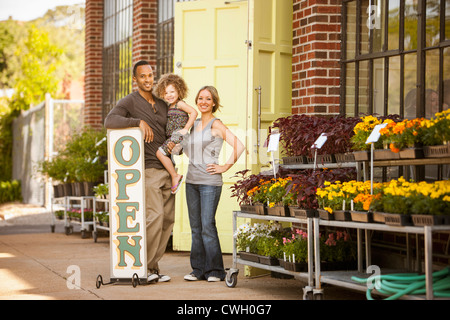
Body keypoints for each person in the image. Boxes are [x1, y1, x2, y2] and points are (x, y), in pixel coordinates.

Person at [104, 60, 175, 284]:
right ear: (135, 79)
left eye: (150, 75)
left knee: (168, 221)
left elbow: (172, 130)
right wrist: (137, 122)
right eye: (142, 76)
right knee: (155, 217)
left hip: (167, 167)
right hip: (149, 168)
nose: (147, 80)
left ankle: (153, 266)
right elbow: (110, 120)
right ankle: (142, 267)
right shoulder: (130, 102)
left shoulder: (163, 104)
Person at [182, 86, 245, 282]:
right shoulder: (194, 123)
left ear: (214, 103)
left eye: (208, 99)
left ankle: (216, 271)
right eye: (200, 98)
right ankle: (198, 270)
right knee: (195, 227)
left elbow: (239, 145)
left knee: (207, 225)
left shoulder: (216, 125)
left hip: (210, 183)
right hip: (191, 181)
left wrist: (224, 166)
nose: (203, 102)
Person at [154, 73, 198, 194]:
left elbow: (194, 112)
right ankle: (174, 174)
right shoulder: (169, 106)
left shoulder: (180, 104)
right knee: (165, 153)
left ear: (179, 90)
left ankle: (175, 176)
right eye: (166, 93)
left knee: (160, 153)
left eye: (172, 91)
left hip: (178, 135)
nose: (169, 95)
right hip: (173, 137)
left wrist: (186, 128)